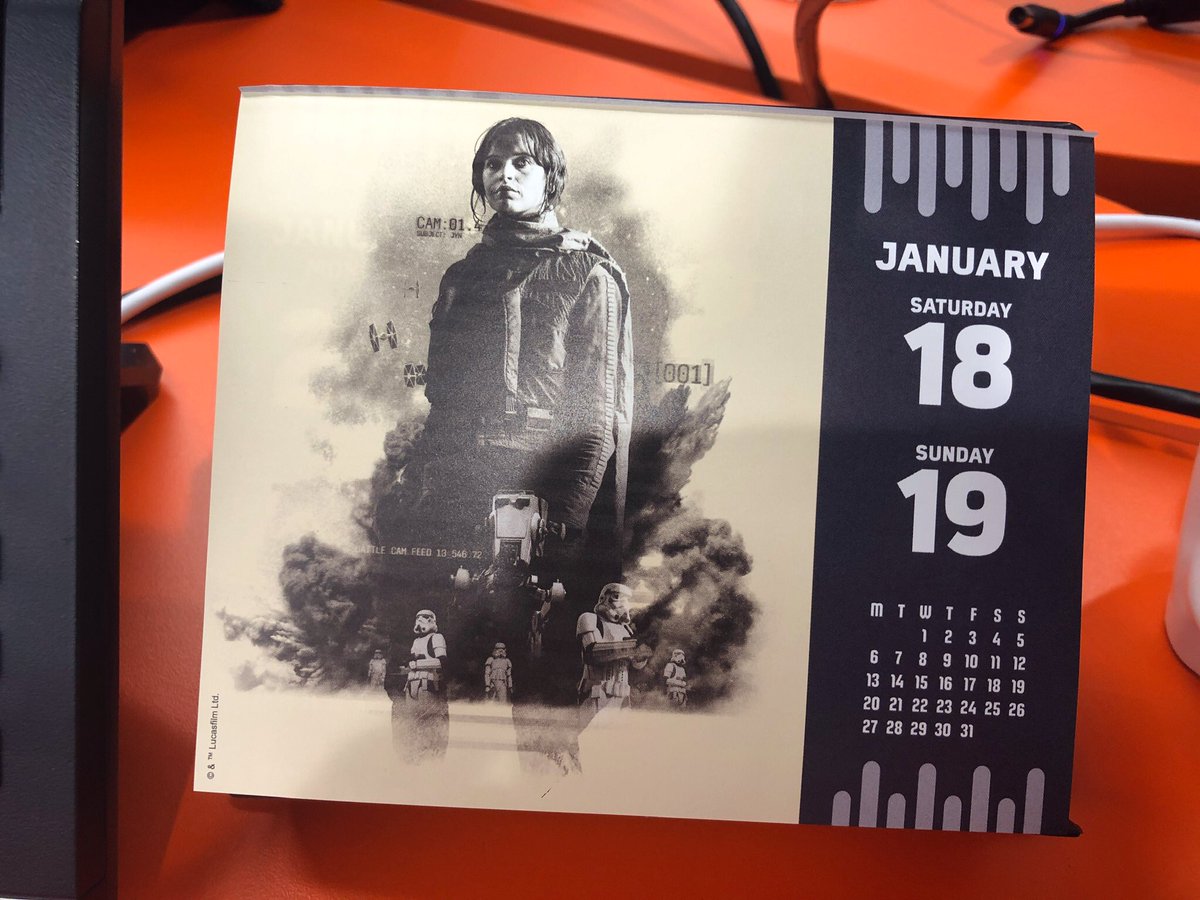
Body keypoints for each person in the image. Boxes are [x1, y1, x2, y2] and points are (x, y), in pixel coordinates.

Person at [405, 117, 634, 572]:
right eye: (493, 164)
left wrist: (564, 522)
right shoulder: (462, 277)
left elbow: (594, 419)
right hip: (458, 485)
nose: (504, 174)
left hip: (544, 487)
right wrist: (429, 493)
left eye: (522, 163)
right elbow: (443, 403)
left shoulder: (589, 276)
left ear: (551, 177)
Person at [575, 583, 649, 726]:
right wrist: (627, 649)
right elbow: (592, 653)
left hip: (623, 696)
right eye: (617, 597)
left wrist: (641, 656)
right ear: (604, 598)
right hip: (597, 692)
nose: (624, 603)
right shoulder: (590, 619)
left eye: (627, 599)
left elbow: (635, 665)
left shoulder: (626, 628)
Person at [385, 609, 449, 762]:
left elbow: (441, 662)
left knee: (428, 721)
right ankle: (414, 757)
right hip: (412, 686)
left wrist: (418, 664)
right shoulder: (416, 641)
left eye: (424, 617)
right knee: (413, 723)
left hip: (428, 685)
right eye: (418, 617)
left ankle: (430, 756)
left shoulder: (437, 638)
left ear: (432, 620)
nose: (420, 620)